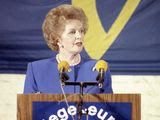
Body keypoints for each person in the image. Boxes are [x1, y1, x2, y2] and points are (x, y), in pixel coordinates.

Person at [23, 4, 113, 94]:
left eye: (81, 31)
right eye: (72, 32)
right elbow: (27, 106)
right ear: (57, 39)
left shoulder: (100, 68)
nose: (79, 36)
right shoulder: (37, 70)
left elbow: (110, 106)